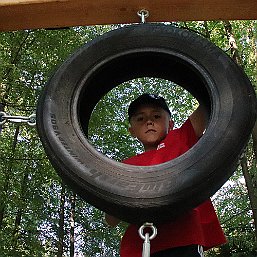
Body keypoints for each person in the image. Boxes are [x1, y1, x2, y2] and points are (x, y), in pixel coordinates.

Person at [105, 93, 227, 257]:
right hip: (138, 245)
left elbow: (210, 102)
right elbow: (111, 220)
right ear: (131, 131)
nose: (149, 121)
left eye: (156, 116)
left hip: (183, 239)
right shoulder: (125, 166)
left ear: (170, 123)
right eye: (140, 118)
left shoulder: (180, 139)